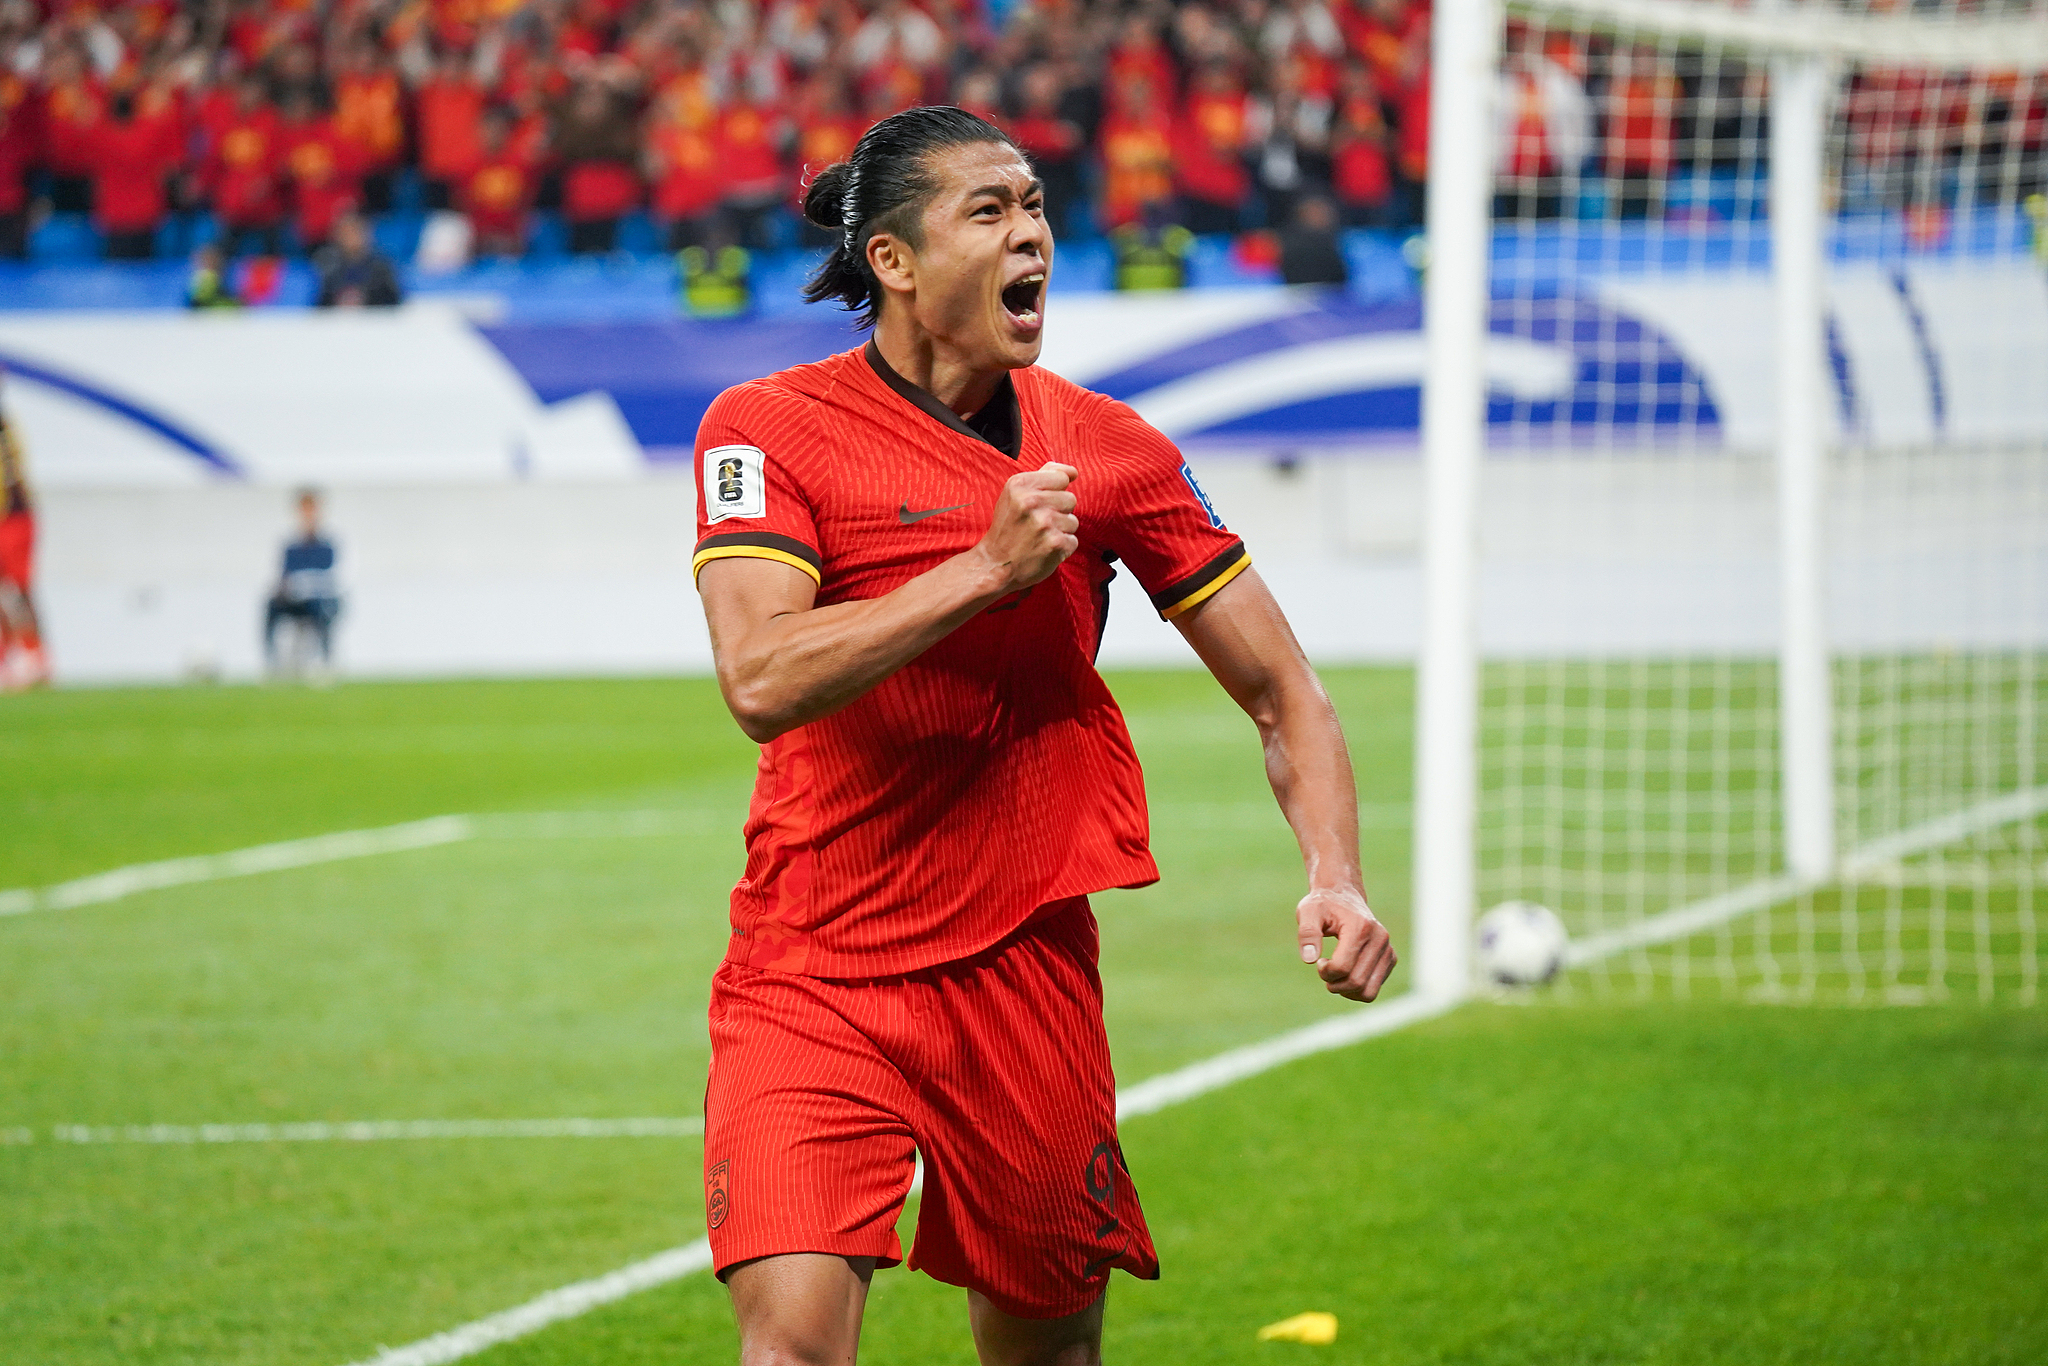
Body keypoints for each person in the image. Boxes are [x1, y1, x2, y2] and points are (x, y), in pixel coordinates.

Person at [690, 106, 1395, 1365]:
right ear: (893, 263)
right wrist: (984, 570)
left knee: (1046, 1351)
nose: (1032, 237)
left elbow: (1284, 690)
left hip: (1021, 966)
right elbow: (759, 678)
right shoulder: (764, 428)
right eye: (988, 210)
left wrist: (1332, 875)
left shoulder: (1110, 450)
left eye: (1033, 207)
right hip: (812, 961)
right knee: (790, 1343)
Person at [0, 371, 48, 690]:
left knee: (18, 589)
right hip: (14, 516)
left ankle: (34, 655)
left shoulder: (5, 427)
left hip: (13, 518)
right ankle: (11, 655)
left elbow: (12, 475)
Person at [264, 488, 340, 678]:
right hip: (295, 599)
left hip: (320, 600)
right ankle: (273, 664)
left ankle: (325, 662)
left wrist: (308, 584)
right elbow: (284, 575)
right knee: (271, 605)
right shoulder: (291, 546)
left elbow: (332, 577)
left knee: (321, 607)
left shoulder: (328, 544)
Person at [313, 212, 401, 307]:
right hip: (339, 319)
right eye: (346, 233)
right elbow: (321, 305)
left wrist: (365, 299)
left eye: (355, 231)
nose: (350, 238)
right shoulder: (328, 266)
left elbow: (393, 302)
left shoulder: (382, 266)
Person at [1279, 194, 1350, 285]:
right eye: (1315, 212)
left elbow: (1341, 279)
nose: (1321, 216)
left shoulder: (1336, 242)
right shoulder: (1290, 244)